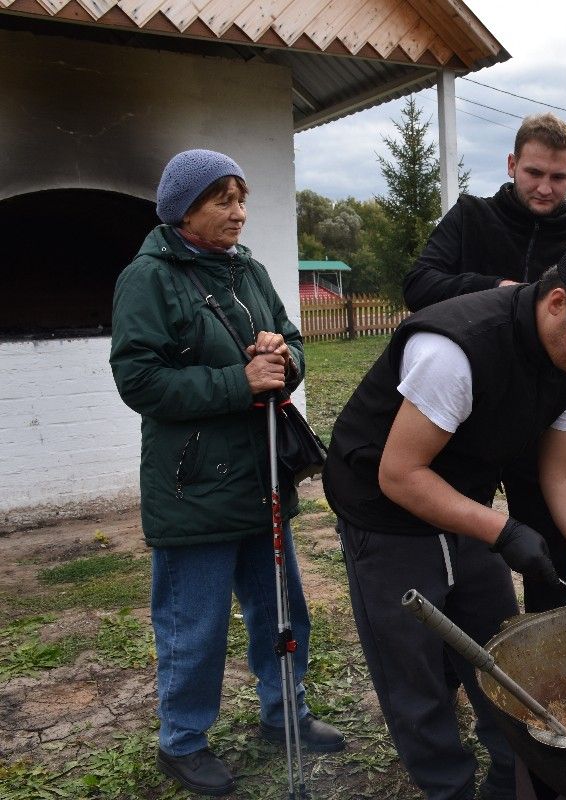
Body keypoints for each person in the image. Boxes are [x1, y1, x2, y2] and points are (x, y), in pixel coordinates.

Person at [323, 239, 566, 800]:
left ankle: (510, 782)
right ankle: (447, 788)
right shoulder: (454, 350)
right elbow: (401, 475)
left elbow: (561, 476)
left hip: (460, 499)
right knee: (416, 678)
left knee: (503, 666)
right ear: (556, 303)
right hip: (383, 511)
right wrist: (500, 530)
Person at [110, 149, 344, 797]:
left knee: (281, 607)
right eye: (223, 200)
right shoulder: (148, 278)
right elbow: (139, 379)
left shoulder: (249, 272)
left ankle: (284, 713)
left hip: (261, 473)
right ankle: (182, 741)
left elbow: (290, 342)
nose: (239, 212)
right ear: (184, 209)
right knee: (195, 622)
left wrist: (280, 354)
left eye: (242, 198)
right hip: (193, 485)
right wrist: (236, 382)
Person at [403, 112, 566, 613]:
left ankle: (553, 639)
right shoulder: (471, 217)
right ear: (512, 165)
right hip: (465, 410)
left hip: (538, 411)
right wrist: (496, 291)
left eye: (558, 177)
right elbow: (419, 286)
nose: (545, 187)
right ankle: (458, 640)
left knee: (547, 536)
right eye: (534, 173)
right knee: (457, 531)